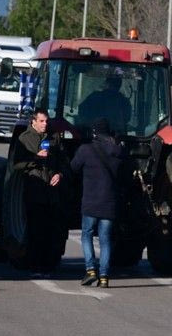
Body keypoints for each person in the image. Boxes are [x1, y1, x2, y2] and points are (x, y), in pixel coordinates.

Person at [70, 117, 126, 287]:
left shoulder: (85, 150)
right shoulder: (118, 152)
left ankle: (90, 270)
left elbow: (73, 168)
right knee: (105, 239)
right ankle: (104, 277)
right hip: (109, 202)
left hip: (90, 201)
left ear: (94, 132)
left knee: (87, 234)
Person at [9, 110, 64, 270]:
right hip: (34, 189)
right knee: (35, 228)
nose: (45, 124)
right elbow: (16, 164)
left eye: (46, 121)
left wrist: (59, 174)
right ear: (33, 122)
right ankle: (33, 262)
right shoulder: (24, 139)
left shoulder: (54, 138)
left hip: (52, 192)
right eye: (41, 121)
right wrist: (35, 158)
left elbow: (63, 162)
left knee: (51, 228)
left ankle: (48, 263)